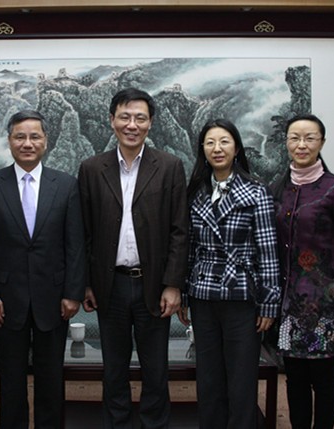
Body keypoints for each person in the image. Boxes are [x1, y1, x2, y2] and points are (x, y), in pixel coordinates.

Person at [78, 88, 189, 428]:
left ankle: (155, 423)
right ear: (112, 120)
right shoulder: (92, 168)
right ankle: (118, 423)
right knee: (114, 368)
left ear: (150, 123)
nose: (132, 124)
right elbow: (83, 231)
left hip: (153, 284)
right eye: (125, 117)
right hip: (109, 284)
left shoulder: (169, 166)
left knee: (156, 368)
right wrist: (86, 283)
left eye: (140, 118)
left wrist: (173, 285)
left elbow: (179, 230)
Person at [0, 110, 85, 429]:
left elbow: (75, 244)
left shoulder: (66, 185)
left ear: (45, 141)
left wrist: (73, 293)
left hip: (54, 297)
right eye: (20, 136)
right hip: (6, 300)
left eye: (35, 136)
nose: (27, 143)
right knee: (11, 381)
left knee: (51, 379)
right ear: (9, 141)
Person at [177, 118, 280, 429]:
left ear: (236, 148)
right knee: (208, 377)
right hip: (203, 294)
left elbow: (268, 250)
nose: (217, 148)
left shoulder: (256, 191)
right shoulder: (195, 191)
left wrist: (269, 302)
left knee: (241, 378)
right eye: (210, 143)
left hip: (241, 295)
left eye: (224, 142)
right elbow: (190, 248)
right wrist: (184, 293)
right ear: (202, 150)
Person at [271, 114, 334, 429]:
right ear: (286, 142)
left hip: (323, 304)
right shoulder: (277, 188)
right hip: (287, 303)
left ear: (321, 142)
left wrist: (327, 284)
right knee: (294, 377)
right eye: (294, 138)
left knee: (323, 377)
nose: (301, 144)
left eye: (309, 138)